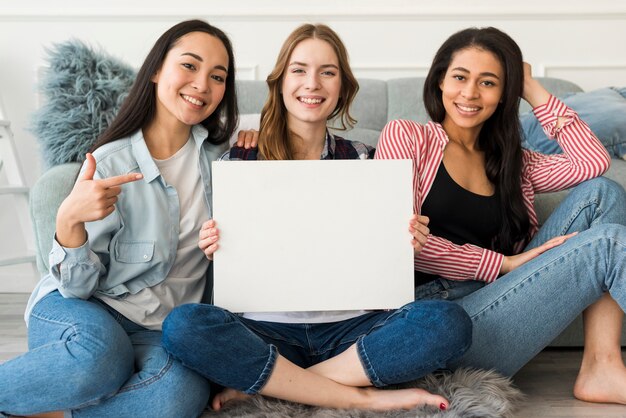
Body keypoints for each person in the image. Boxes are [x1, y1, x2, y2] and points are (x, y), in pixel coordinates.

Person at [162, 23, 472, 413]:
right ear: (279, 82)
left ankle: (283, 384)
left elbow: (381, 254)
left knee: (449, 322)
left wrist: (407, 237)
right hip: (264, 331)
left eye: (327, 72)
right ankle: (358, 394)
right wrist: (214, 245)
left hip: (352, 330)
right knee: (183, 327)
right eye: (299, 70)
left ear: (342, 87)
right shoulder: (240, 157)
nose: (313, 84)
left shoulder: (365, 158)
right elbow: (224, 252)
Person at [0, 19, 242, 417]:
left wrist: (251, 138)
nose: (202, 84)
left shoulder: (226, 160)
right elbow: (76, 289)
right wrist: (69, 224)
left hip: (159, 332)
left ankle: (51, 411)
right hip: (83, 311)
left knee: (179, 395)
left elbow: (282, 133)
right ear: (156, 71)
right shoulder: (111, 162)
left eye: (218, 76)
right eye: (189, 66)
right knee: (101, 359)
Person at [375, 26, 626, 405]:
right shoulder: (407, 137)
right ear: (440, 79)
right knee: (608, 244)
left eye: (489, 82)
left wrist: (530, 87)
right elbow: (403, 243)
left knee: (603, 194)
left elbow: (592, 162)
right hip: (440, 323)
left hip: (505, 302)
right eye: (460, 77)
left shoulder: (514, 161)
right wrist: (503, 264)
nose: (470, 93)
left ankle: (602, 365)